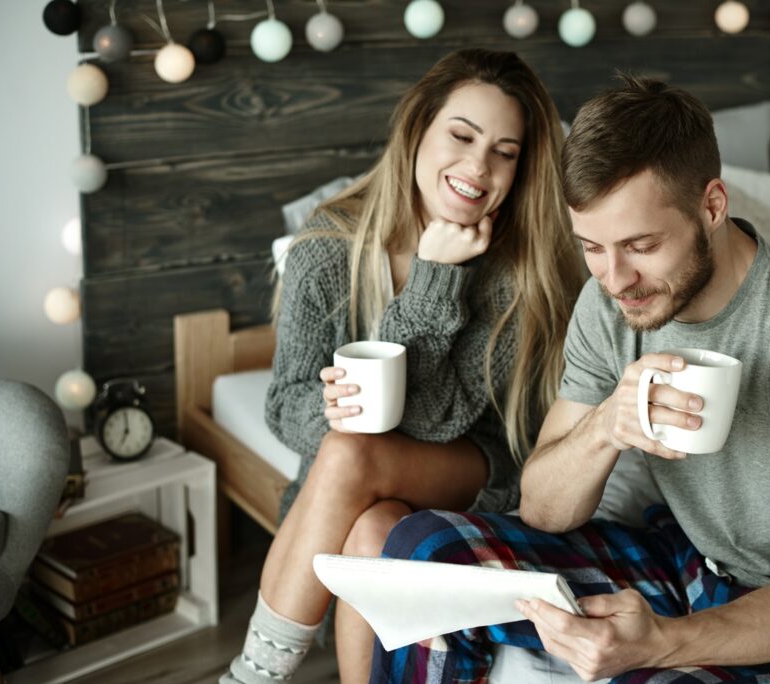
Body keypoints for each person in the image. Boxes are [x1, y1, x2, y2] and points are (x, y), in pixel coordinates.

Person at [370, 77, 770, 683]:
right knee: (421, 553)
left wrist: (662, 643)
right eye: (592, 246)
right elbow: (541, 509)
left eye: (641, 245)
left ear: (712, 206)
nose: (615, 279)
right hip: (701, 563)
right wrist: (605, 426)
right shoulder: (605, 304)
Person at [221, 49, 583, 684]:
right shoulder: (328, 246)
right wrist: (331, 411)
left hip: (481, 467)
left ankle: (251, 676)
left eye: (505, 150)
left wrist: (434, 281)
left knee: (350, 454)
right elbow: (286, 402)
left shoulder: (512, 273)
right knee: (372, 528)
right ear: (419, 131)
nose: (478, 166)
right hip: (351, 485)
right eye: (462, 135)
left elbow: (432, 422)